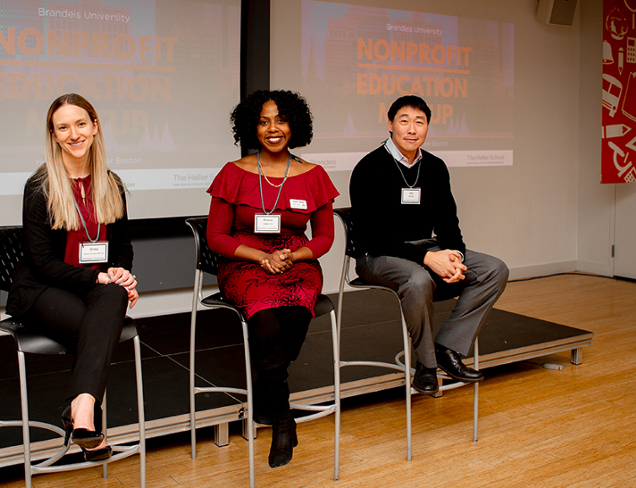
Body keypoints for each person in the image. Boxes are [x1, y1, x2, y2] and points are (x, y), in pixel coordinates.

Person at [206, 90, 339, 468]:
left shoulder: (314, 175)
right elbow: (216, 237)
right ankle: (282, 419)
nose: (272, 129)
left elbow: (325, 237)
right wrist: (262, 257)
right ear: (252, 126)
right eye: (263, 121)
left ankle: (268, 392)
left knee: (298, 313)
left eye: (279, 120)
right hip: (245, 261)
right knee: (264, 315)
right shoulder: (234, 172)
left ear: (294, 124)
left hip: (296, 261)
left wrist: (292, 255)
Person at [6, 93, 138, 462]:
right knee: (100, 325)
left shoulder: (111, 183)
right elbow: (42, 261)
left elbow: (123, 246)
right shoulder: (40, 188)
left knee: (113, 297)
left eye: (81, 124)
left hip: (91, 289)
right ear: (53, 135)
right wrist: (97, 280)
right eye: (63, 127)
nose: (73, 133)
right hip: (42, 288)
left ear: (95, 126)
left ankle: (79, 410)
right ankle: (86, 414)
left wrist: (121, 273)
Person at [349, 95, 508, 396]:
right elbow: (371, 236)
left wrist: (455, 256)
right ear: (390, 124)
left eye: (419, 122)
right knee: (418, 278)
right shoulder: (369, 168)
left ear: (427, 128)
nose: (412, 129)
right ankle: (425, 365)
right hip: (377, 255)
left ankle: (447, 348)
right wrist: (427, 259)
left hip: (427, 248)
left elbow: (449, 222)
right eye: (404, 121)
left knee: (494, 269)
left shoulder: (435, 167)